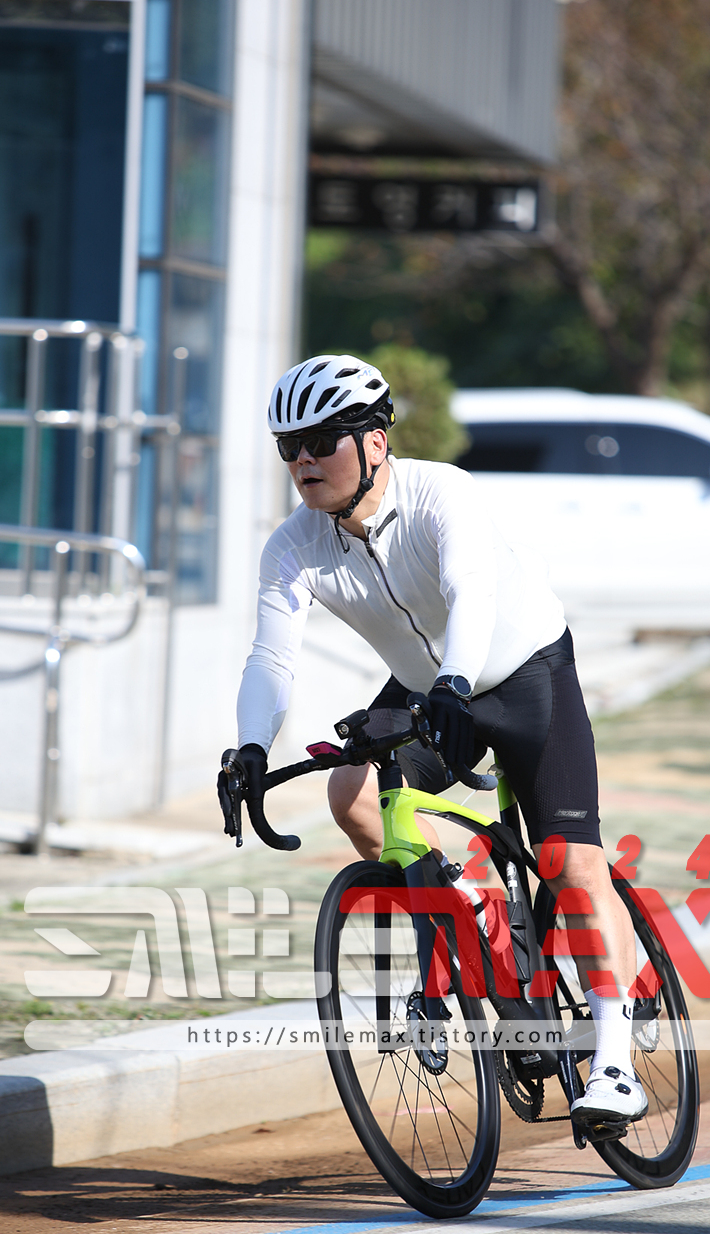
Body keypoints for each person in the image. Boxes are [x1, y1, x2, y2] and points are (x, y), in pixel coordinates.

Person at [218, 354, 646, 1130]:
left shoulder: (440, 491)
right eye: (289, 447)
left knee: (569, 860)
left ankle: (614, 1064)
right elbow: (271, 656)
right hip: (430, 684)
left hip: (525, 672)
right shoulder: (293, 546)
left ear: (375, 442)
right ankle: (474, 915)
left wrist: (453, 682)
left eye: (321, 440)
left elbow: (468, 591)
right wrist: (250, 748)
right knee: (351, 792)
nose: (303, 459)